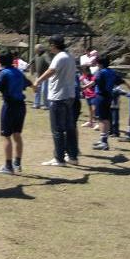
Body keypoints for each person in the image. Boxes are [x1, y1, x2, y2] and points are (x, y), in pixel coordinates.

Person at [33, 35, 78, 167]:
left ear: (54, 45)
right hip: (69, 96)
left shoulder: (59, 57)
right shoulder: (69, 57)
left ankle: (59, 158)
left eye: (50, 45)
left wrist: (37, 81)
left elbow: (51, 71)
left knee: (57, 129)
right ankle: (73, 157)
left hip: (58, 97)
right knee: (70, 128)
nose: (49, 48)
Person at [82, 57, 130, 150]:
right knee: (106, 118)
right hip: (109, 96)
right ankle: (103, 139)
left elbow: (94, 82)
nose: (96, 65)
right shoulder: (112, 72)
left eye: (97, 63)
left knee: (101, 119)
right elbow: (123, 81)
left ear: (100, 64)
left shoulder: (101, 72)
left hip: (101, 97)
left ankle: (104, 142)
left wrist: (84, 87)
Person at [32, 44, 51, 109]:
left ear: (40, 49)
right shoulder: (36, 55)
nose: (35, 50)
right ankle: (36, 104)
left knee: (44, 90)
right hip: (38, 76)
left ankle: (46, 105)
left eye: (36, 49)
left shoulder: (45, 55)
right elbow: (32, 61)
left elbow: (49, 62)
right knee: (37, 89)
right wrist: (28, 65)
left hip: (45, 76)